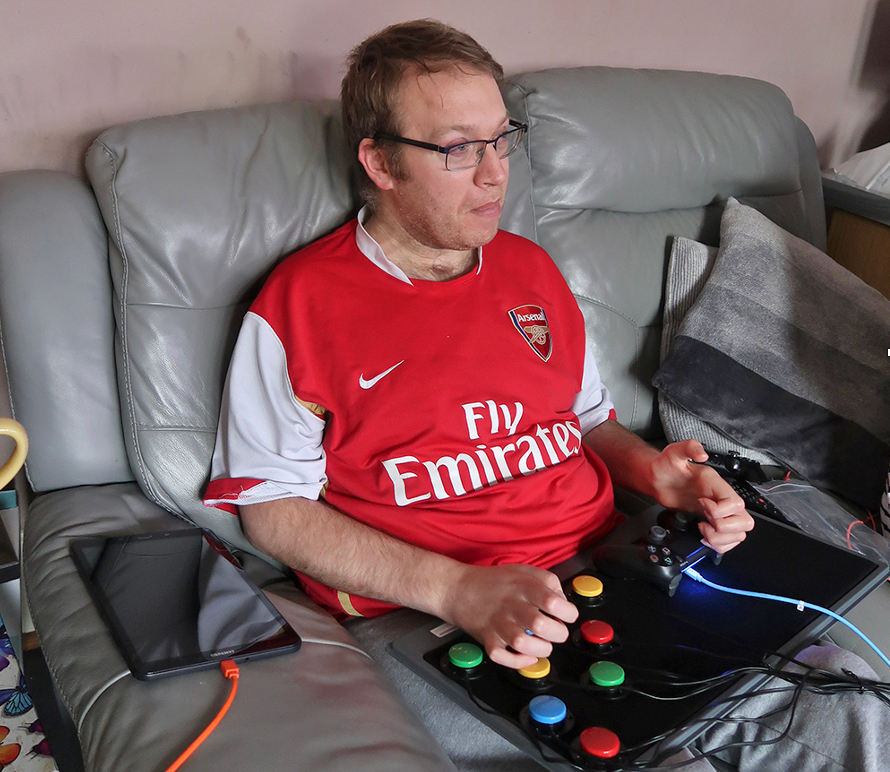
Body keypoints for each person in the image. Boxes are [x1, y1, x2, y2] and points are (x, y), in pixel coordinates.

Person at [204, 19, 886, 771]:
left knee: (843, 699)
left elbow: (587, 420)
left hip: (612, 569)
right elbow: (271, 508)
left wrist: (661, 475)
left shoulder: (529, 271)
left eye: (502, 140)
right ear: (381, 162)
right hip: (438, 617)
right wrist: (457, 590)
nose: (496, 175)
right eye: (458, 149)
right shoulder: (298, 307)